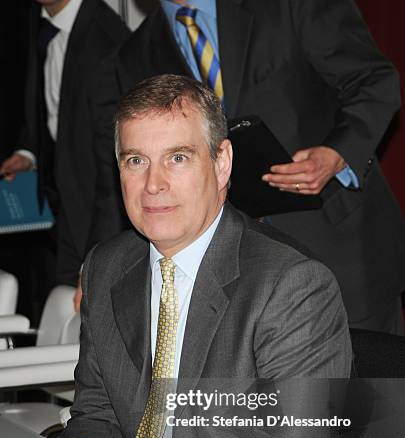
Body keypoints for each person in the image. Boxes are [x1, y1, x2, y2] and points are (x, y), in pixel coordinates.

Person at [28, 75, 404, 438]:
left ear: (222, 164)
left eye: (177, 158)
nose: (153, 184)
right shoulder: (109, 267)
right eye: (135, 161)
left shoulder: (293, 285)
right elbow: (99, 406)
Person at [85, 0, 405, 332]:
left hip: (341, 252)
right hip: (230, 278)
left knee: (367, 383)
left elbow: (373, 81)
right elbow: (126, 169)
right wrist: (94, 269)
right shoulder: (135, 55)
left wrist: (336, 155)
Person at [0, 0, 129, 289]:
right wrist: (29, 152)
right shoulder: (40, 20)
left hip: (97, 216)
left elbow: (113, 163)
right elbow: (51, 107)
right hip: (62, 206)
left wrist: (99, 256)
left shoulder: (106, 39)